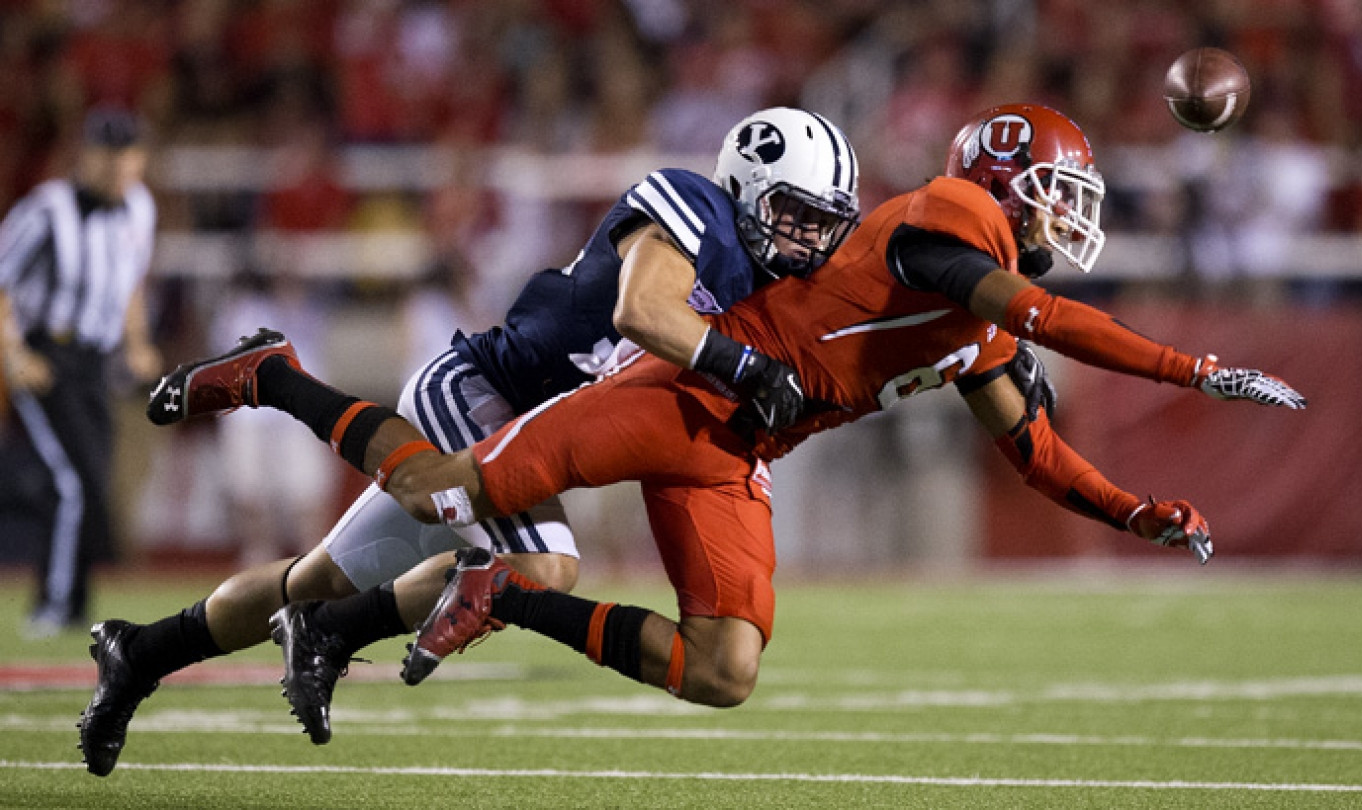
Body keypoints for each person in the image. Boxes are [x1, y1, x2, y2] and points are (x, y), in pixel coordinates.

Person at [136, 104, 1304, 740]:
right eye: (1057, 191)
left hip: (742, 451)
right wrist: (1192, 369)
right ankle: (276, 376)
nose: (1068, 215)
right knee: (441, 491)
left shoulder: (978, 330)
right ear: (1001, 188)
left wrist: (1137, 511)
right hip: (682, 396)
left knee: (726, 670)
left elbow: (1036, 452)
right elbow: (1038, 311)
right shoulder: (949, 225)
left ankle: (509, 598)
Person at [76, 107, 860, 776]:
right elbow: (643, 311)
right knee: (541, 568)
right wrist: (742, 363)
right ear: (748, 184)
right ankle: (274, 382)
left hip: (526, 430)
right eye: (795, 214)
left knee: (313, 580)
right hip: (482, 394)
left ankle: (141, 653)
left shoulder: (764, 288)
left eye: (823, 223)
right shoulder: (694, 205)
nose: (808, 239)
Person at [0, 107, 162, 638]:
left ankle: (71, 600)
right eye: (109, 155)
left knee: (88, 483)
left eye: (128, 155)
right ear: (86, 155)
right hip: (48, 355)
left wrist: (136, 343)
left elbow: (130, 281)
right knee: (70, 483)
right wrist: (16, 354)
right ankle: (55, 606)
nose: (119, 167)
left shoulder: (139, 209)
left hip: (94, 361)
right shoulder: (46, 210)